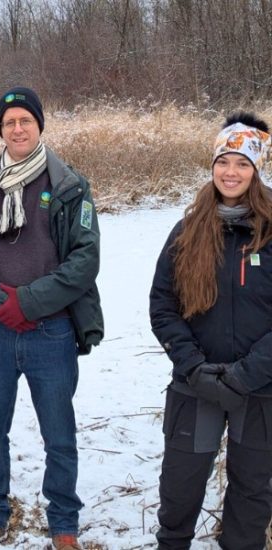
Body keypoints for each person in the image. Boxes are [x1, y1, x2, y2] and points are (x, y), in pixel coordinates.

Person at [0, 86, 103, 550]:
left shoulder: (71, 186)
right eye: (9, 122)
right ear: (0, 130)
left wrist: (29, 302)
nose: (17, 128)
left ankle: (63, 522)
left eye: (25, 121)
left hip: (51, 330)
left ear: (39, 126)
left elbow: (84, 259)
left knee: (59, 434)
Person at [149, 112, 272, 549]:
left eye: (242, 163)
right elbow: (163, 307)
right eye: (223, 161)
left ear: (257, 170)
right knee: (179, 490)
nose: (231, 172)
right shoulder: (187, 231)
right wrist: (194, 367)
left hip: (259, 392)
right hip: (194, 386)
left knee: (253, 495)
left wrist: (245, 375)